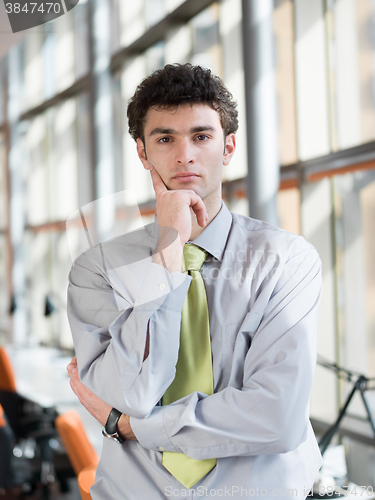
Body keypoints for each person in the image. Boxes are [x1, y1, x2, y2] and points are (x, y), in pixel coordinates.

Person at [67, 63, 322, 499]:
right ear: (142, 154)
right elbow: (133, 392)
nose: (185, 154)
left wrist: (137, 428)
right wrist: (169, 251)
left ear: (228, 147)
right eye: (165, 139)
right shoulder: (97, 269)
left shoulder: (286, 259)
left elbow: (277, 417)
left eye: (201, 136)